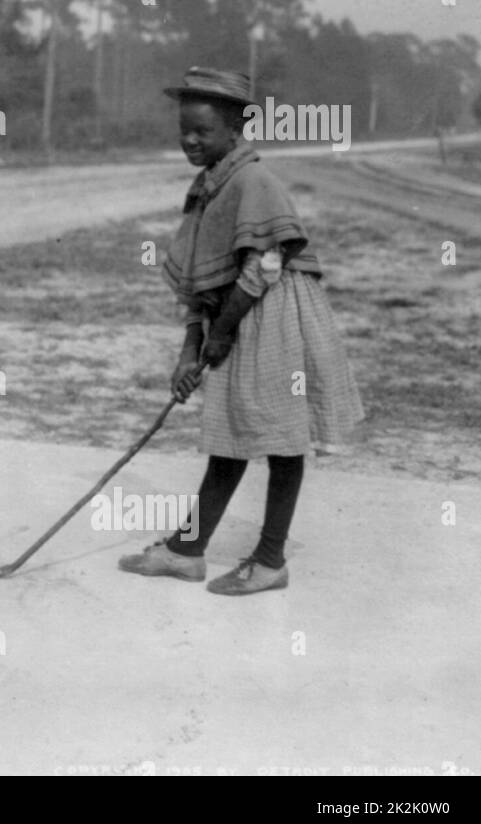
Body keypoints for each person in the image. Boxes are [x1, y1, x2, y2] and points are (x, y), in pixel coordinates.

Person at [119, 67, 363, 595]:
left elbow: (267, 264)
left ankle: (271, 560)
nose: (189, 139)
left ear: (237, 129)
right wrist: (190, 349)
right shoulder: (208, 186)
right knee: (230, 432)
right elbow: (197, 284)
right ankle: (187, 550)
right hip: (234, 311)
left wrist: (222, 334)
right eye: (184, 129)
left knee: (281, 437)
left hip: (274, 312)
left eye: (202, 132)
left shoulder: (254, 181)